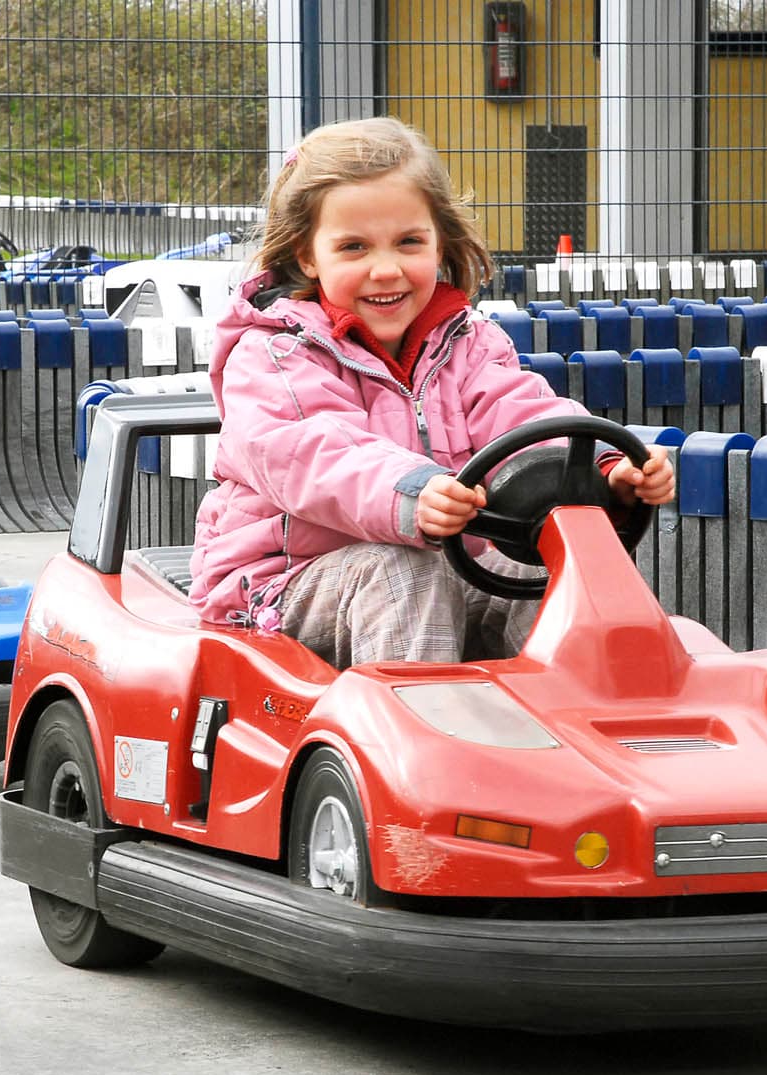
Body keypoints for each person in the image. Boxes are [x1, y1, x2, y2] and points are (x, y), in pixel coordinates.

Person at [188, 117, 676, 668]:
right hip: (282, 589)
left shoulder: (468, 340)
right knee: (403, 573)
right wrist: (413, 494)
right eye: (353, 248)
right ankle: (416, 743)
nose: (387, 268)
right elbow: (311, 455)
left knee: (560, 563)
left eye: (409, 242)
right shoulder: (274, 353)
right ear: (307, 257)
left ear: (438, 241)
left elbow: (518, 415)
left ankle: (592, 727)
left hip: (452, 572)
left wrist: (607, 471)